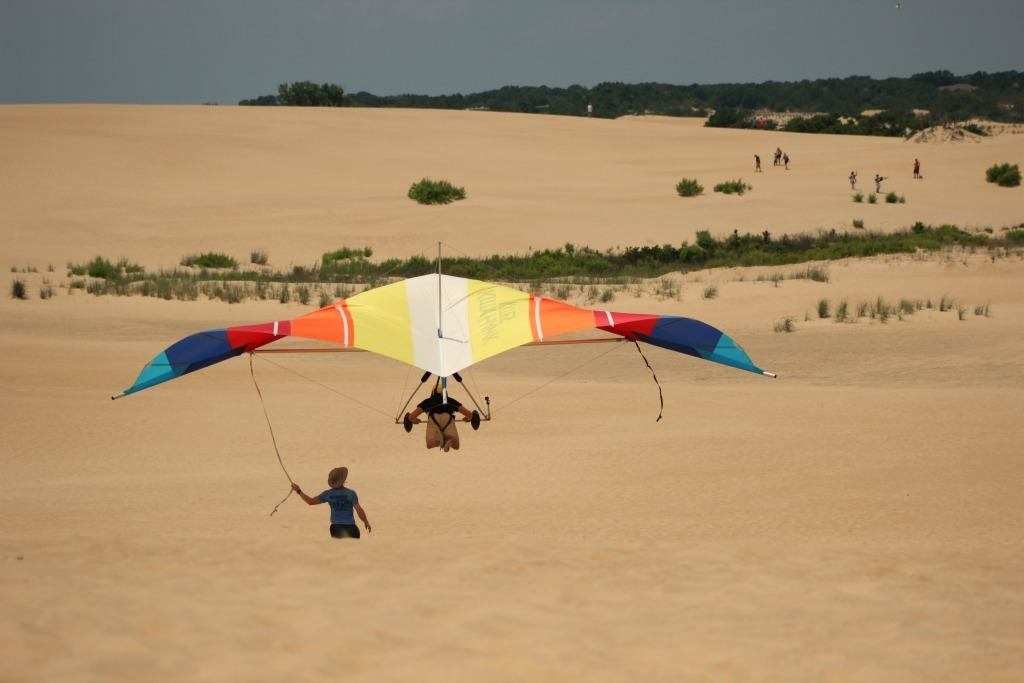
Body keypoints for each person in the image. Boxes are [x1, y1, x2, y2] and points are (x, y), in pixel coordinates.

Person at [291, 467, 371, 539]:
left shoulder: (327, 494)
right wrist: (366, 521)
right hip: (351, 527)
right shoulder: (351, 493)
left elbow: (310, 502)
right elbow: (359, 510)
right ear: (343, 480)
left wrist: (299, 491)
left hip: (336, 528)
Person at [406, 379, 476, 452]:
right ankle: (449, 442)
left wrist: (415, 420)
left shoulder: (428, 401)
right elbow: (469, 414)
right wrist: (468, 418)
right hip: (447, 419)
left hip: (433, 419)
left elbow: (411, 417)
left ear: (433, 392)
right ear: (445, 393)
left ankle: (439, 442)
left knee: (430, 444)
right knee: (456, 445)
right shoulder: (449, 400)